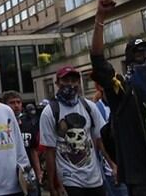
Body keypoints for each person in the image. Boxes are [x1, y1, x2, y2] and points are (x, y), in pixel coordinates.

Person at [89, 0, 146, 196]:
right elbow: (98, 60)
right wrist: (100, 18)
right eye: (139, 55)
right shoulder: (122, 89)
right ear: (129, 60)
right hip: (140, 176)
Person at [40, 66, 110, 196]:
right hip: (69, 181)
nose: (70, 84)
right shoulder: (50, 112)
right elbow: (50, 151)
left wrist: (113, 165)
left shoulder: (89, 107)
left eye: (74, 80)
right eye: (65, 80)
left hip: (94, 179)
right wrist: (53, 184)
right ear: (57, 83)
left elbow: (100, 139)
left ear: (79, 82)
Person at [90, 82, 127, 196]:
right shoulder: (98, 108)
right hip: (113, 171)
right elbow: (99, 141)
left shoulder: (123, 105)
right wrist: (113, 166)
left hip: (130, 168)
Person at [3, 90, 43, 191]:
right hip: (8, 175)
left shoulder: (28, 124)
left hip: (28, 172)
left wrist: (38, 172)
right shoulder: (1, 126)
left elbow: (33, 150)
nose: (16, 105)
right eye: (12, 102)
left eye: (18, 102)